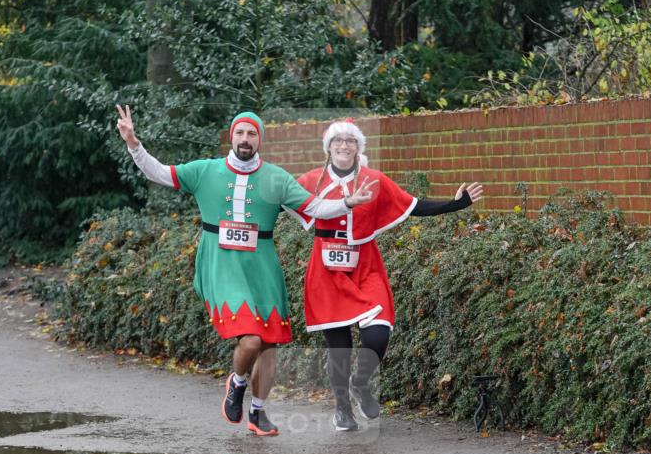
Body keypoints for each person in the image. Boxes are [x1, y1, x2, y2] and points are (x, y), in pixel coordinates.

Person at [116, 106, 374, 436]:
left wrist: (347, 203)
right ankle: (237, 384)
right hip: (221, 264)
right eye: (240, 132)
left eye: (252, 133)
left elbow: (314, 207)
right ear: (231, 136)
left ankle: (257, 412)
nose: (245, 139)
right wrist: (133, 143)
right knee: (251, 340)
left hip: (262, 266)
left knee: (268, 344)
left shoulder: (276, 178)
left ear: (259, 140)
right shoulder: (205, 170)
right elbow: (160, 173)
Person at [290, 119, 483, 432]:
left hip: (366, 265)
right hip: (326, 271)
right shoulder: (311, 180)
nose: (344, 146)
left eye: (350, 141)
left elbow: (413, 205)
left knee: (378, 335)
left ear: (358, 147)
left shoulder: (374, 180)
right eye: (337, 140)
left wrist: (456, 204)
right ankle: (342, 409)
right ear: (328, 146)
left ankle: (360, 383)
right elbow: (278, 202)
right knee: (339, 347)